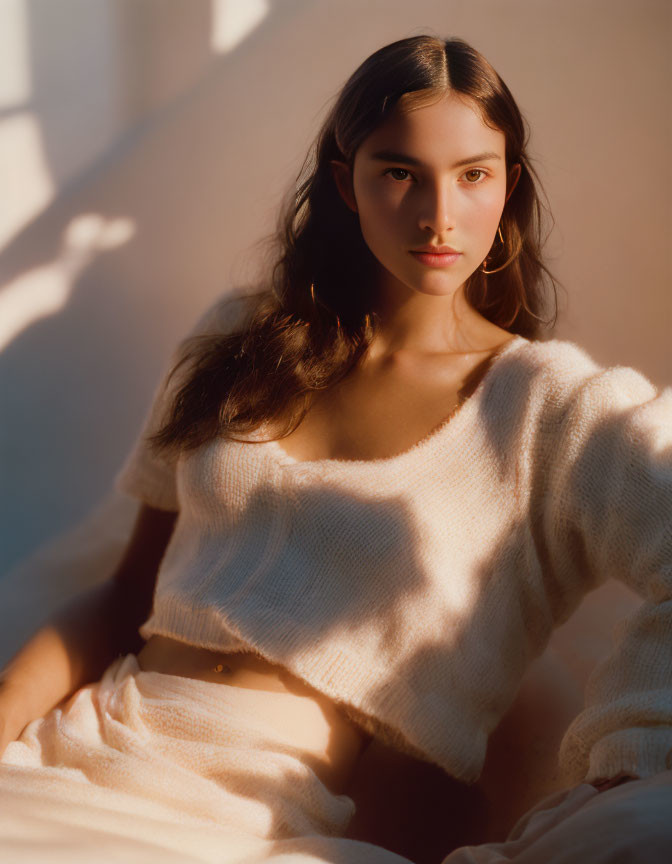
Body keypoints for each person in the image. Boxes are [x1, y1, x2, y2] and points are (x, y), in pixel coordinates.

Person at [0, 33, 671, 864]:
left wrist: (625, 764)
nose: (438, 215)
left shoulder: (548, 406)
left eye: (473, 175)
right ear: (343, 181)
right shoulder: (240, 338)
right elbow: (121, 596)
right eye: (399, 172)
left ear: (510, 186)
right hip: (71, 755)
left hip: (263, 823)